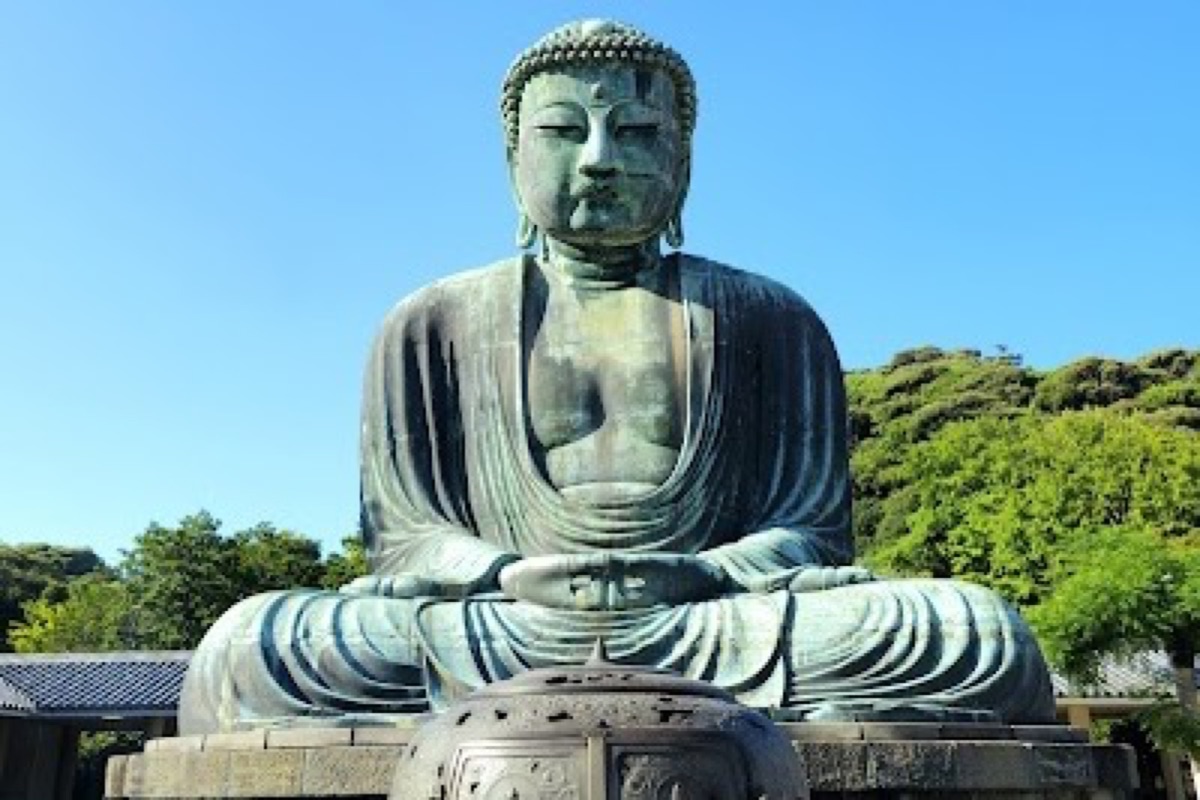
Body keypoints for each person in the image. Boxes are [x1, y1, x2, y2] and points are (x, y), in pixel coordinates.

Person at [179, 20, 1054, 734]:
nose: (599, 157)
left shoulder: (766, 317)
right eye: (564, 130)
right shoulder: (430, 325)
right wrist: (501, 575)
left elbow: (810, 532)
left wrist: (703, 574)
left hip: (714, 623)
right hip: (499, 626)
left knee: (974, 636)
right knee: (250, 647)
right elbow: (407, 537)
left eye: (636, 132)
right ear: (513, 155)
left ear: (683, 159)